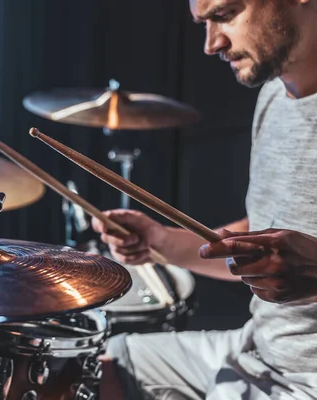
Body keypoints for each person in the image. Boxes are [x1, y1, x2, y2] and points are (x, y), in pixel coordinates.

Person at [93, 0, 317, 398]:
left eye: (225, 14)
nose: (211, 44)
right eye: (203, 23)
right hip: (256, 349)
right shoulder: (273, 96)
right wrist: (160, 242)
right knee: (92, 367)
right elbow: (268, 243)